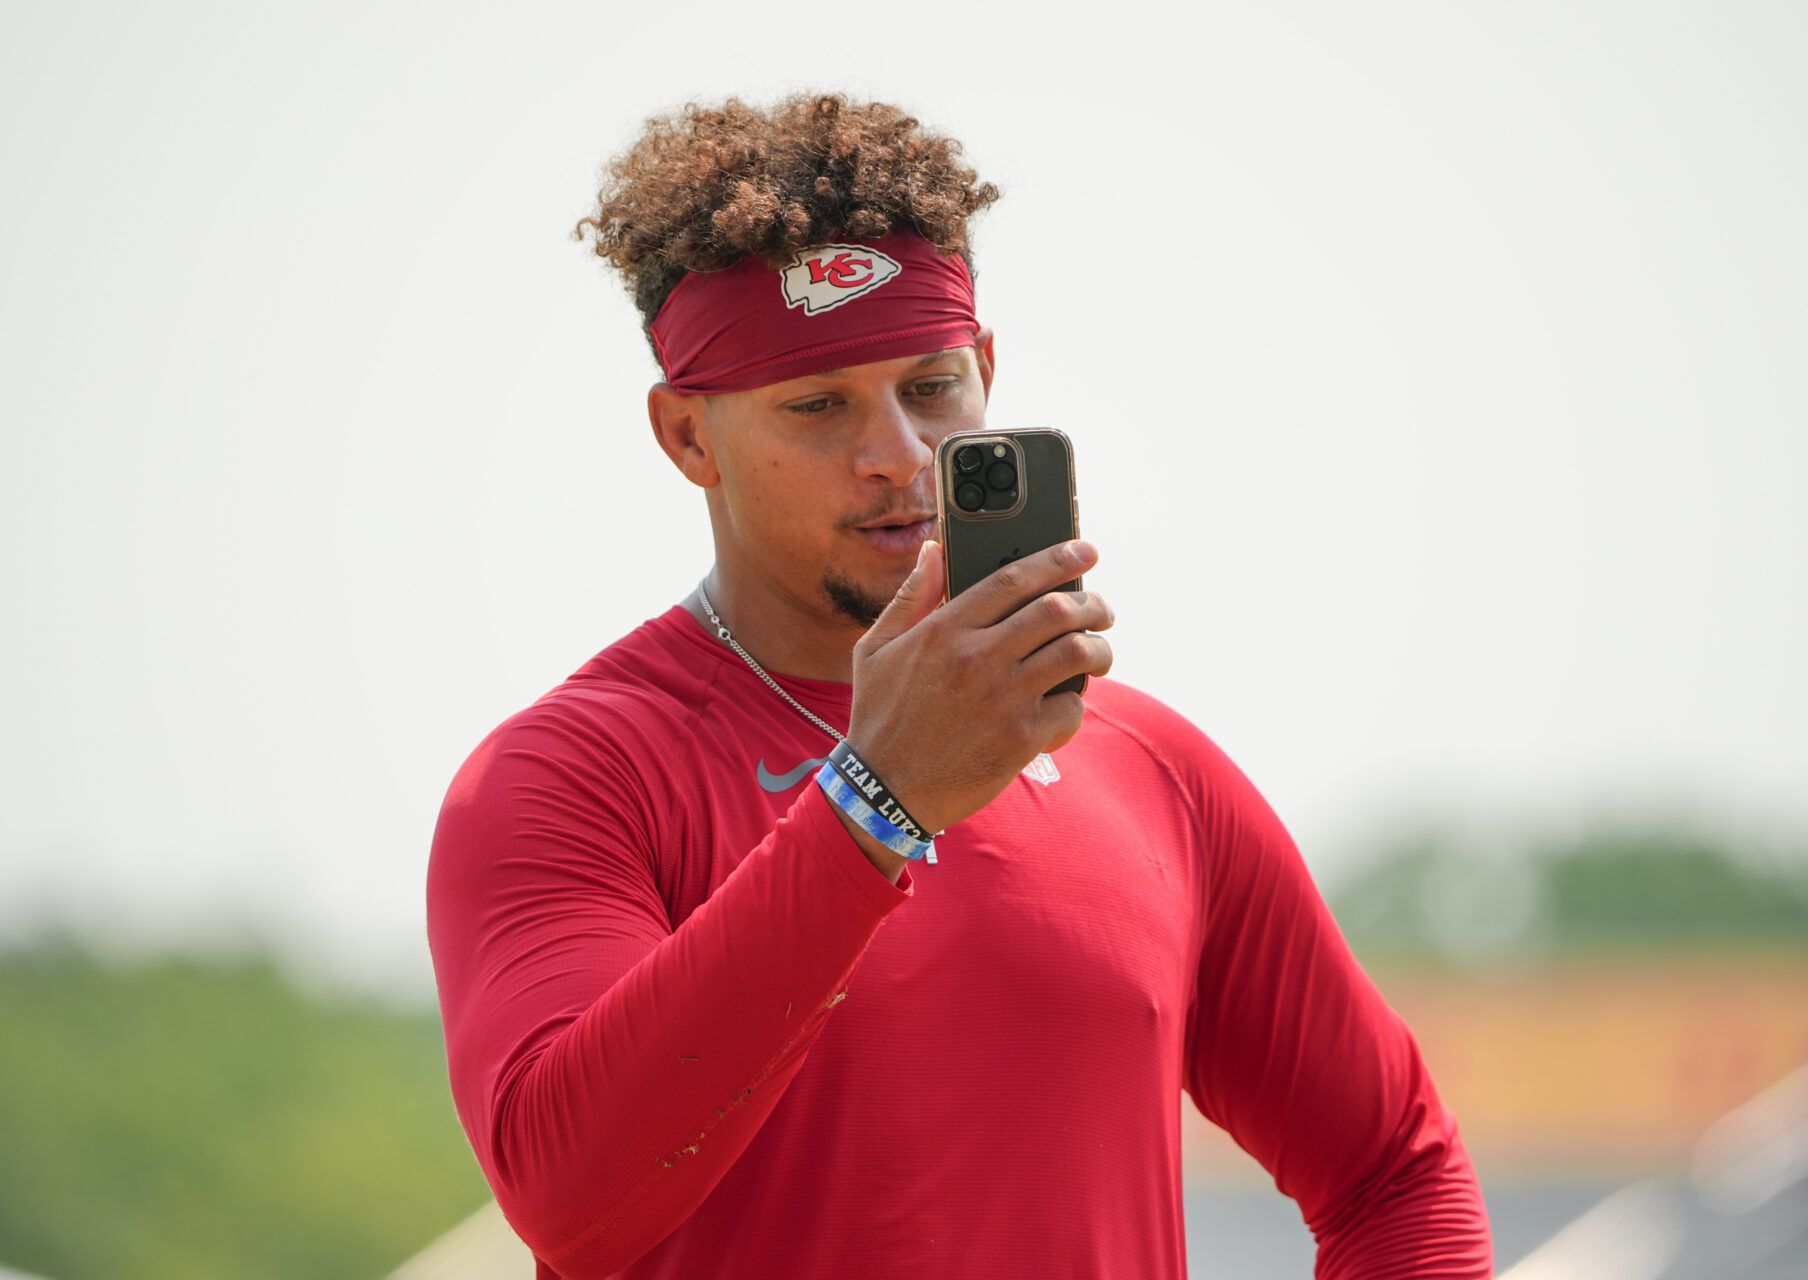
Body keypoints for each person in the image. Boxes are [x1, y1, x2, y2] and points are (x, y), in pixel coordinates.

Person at [426, 93, 1493, 1279]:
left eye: (931, 387)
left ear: (986, 370)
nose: (897, 453)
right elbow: (571, 1200)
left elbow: (1396, 1169)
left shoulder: (1146, 765)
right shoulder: (569, 777)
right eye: (818, 404)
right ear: (687, 437)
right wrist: (872, 802)